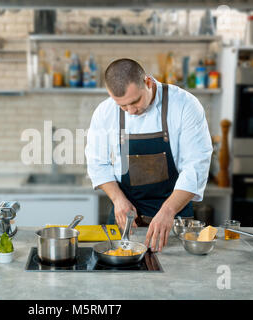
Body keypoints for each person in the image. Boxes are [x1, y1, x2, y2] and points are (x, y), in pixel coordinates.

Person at [85, 58, 212, 252]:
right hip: (126, 221)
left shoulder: (185, 105)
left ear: (148, 82)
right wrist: (118, 200)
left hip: (175, 220)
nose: (131, 111)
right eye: (123, 107)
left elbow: (195, 166)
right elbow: (97, 164)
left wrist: (168, 211)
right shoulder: (104, 112)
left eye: (135, 102)